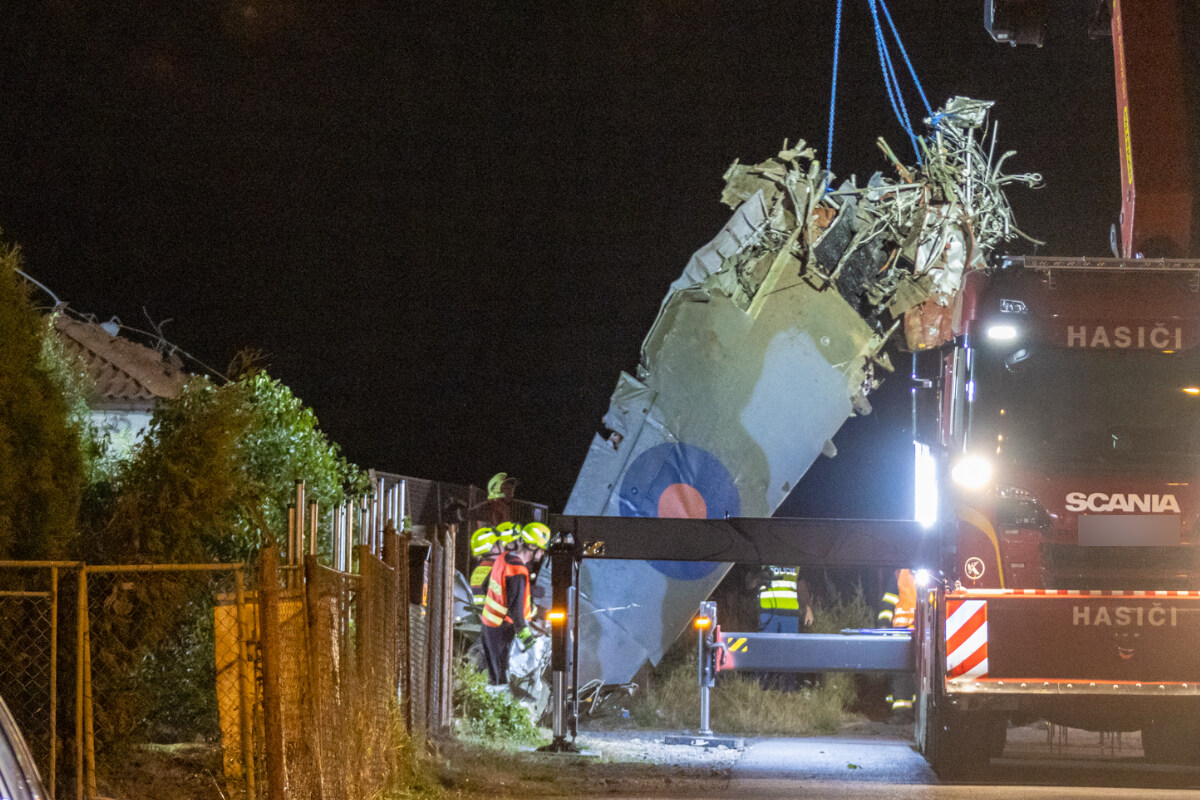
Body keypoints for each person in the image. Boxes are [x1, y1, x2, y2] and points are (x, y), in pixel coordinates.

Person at [478, 521, 546, 687]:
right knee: (501, 680)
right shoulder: (518, 570)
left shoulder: (503, 559)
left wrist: (534, 610)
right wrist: (526, 635)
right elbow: (516, 609)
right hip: (502, 629)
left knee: (493, 675)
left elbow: (486, 586)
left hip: (489, 625)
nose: (542, 554)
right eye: (542, 549)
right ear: (532, 546)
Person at [879, 568, 917, 723]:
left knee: (915, 674)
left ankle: (910, 712)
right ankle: (902, 713)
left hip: (924, 631)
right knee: (902, 673)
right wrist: (883, 624)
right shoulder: (899, 575)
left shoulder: (933, 573)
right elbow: (888, 602)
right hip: (902, 631)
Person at [757, 565, 814, 634]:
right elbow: (749, 583)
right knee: (767, 643)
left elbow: (801, 585)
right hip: (767, 612)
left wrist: (808, 609)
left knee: (789, 643)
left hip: (790, 613)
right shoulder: (763, 558)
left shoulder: (796, 562)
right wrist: (758, 578)